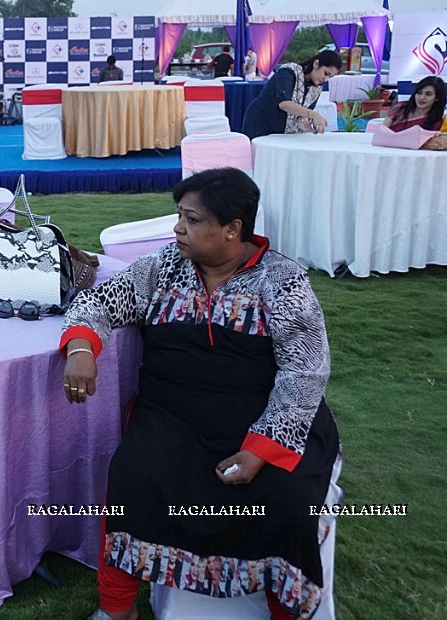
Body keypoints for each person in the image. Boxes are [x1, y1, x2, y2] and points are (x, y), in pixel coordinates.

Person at [61, 168, 340, 620]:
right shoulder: (165, 266)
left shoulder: (283, 282)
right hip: (172, 413)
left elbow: (305, 370)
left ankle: (284, 610)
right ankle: (117, 609)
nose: (177, 228)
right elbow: (100, 300)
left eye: (190, 219)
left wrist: (260, 450)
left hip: (261, 418)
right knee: (134, 478)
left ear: (232, 229)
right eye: (179, 216)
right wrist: (80, 347)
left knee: (283, 501)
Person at [241, 50, 342, 139]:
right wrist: (314, 115)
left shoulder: (317, 88)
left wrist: (304, 123)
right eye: (326, 73)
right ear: (316, 64)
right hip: (260, 123)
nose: (326, 79)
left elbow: (303, 112)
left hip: (281, 132)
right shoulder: (288, 72)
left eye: (330, 77)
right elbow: (284, 103)